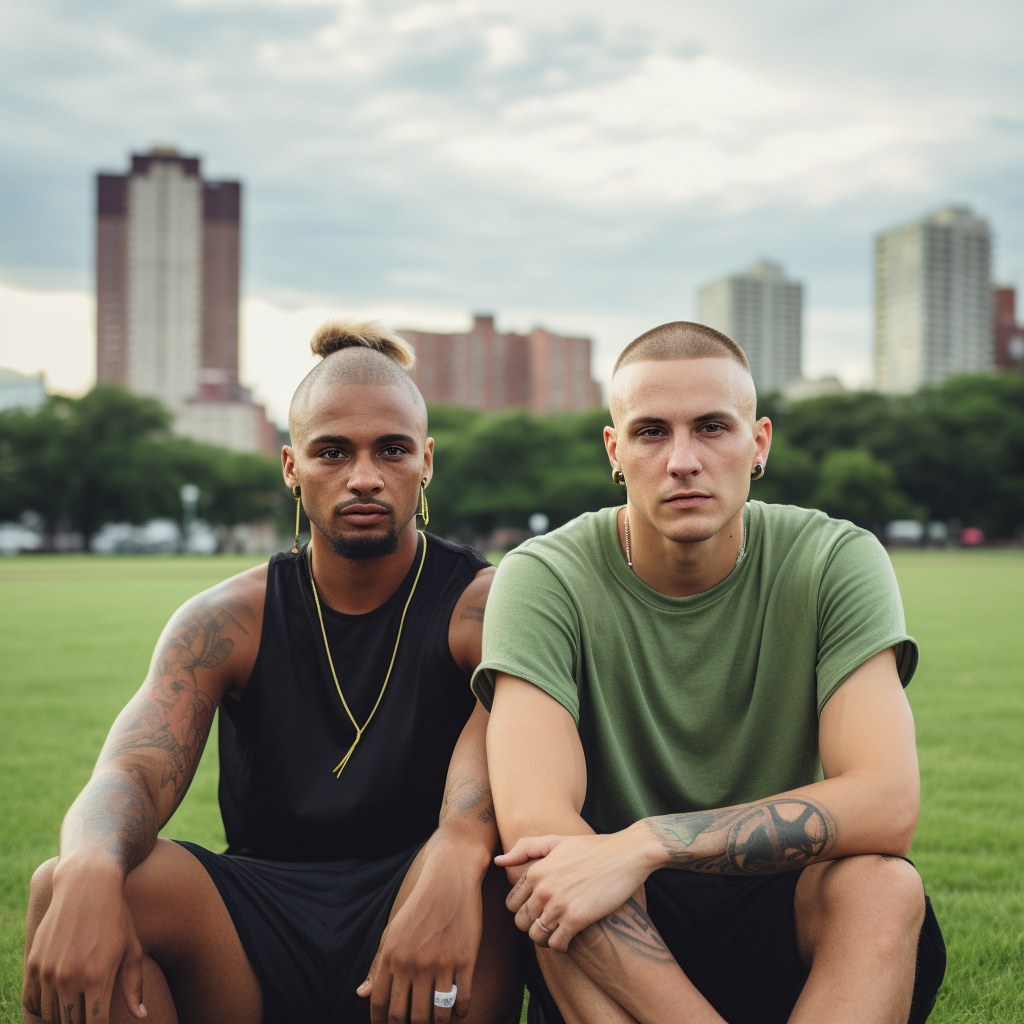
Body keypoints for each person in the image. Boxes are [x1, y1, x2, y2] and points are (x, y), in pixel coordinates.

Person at [22, 321, 523, 1024]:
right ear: (291, 467)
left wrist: (455, 854)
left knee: (495, 884)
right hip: (256, 921)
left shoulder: (487, 605)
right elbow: (132, 771)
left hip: (426, 897)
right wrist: (86, 870)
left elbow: (503, 780)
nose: (364, 477)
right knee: (67, 885)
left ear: (426, 460)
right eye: (332, 452)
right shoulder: (226, 620)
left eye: (392, 449)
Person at [476, 321, 946, 1024]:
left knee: (885, 888)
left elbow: (887, 805)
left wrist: (648, 843)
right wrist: (619, 863)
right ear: (616, 450)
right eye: (652, 432)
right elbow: (534, 820)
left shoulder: (834, 559)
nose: (683, 460)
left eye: (712, 428)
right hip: (623, 942)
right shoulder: (544, 575)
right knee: (554, 875)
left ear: (758, 444)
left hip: (778, 911)